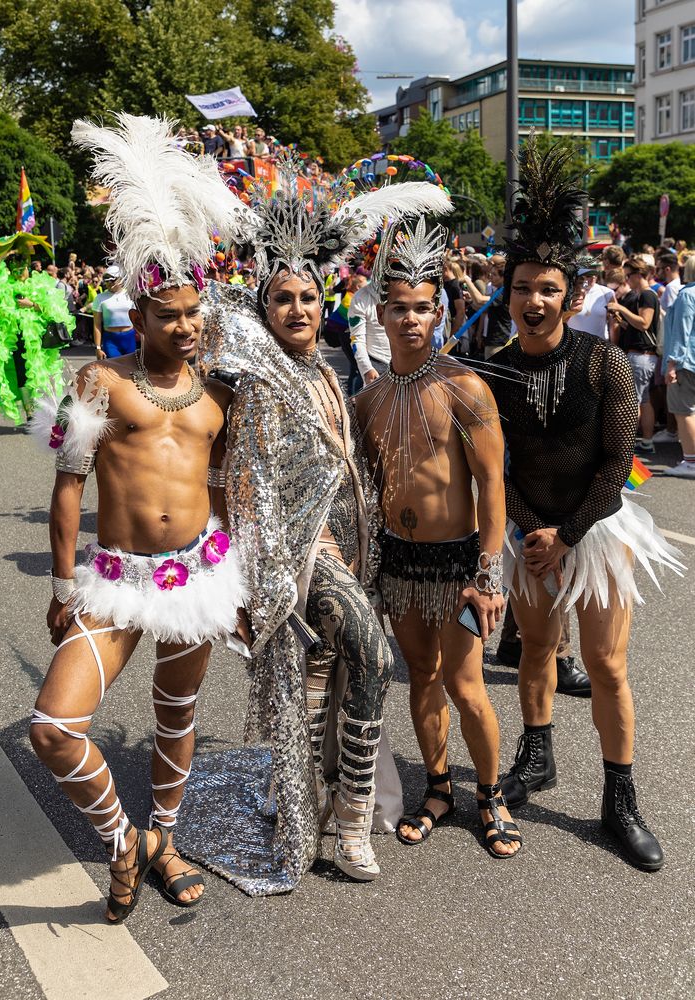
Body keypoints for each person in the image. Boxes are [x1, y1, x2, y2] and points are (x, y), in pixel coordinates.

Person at [199, 156, 453, 891]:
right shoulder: (258, 382)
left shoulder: (330, 368)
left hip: (352, 550)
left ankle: (312, 813)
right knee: (373, 660)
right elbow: (249, 494)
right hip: (305, 558)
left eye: (309, 297)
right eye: (283, 299)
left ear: (324, 301)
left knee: (321, 679)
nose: (299, 310)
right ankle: (345, 821)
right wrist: (271, 582)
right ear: (264, 306)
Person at [29, 114, 248, 923]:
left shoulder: (222, 392)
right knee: (54, 727)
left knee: (175, 716)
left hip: (197, 575)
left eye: (193, 313)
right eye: (168, 314)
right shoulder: (98, 383)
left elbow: (228, 488)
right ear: (139, 317)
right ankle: (122, 839)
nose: (184, 326)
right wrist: (60, 582)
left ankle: (165, 837)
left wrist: (240, 575)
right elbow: (66, 488)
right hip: (115, 580)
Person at [488, 136, 683, 872]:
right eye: (522, 288)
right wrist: (531, 528)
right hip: (530, 532)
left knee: (604, 664)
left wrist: (567, 533)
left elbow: (618, 462)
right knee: (536, 650)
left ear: (570, 296)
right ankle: (536, 761)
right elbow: (493, 463)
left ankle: (619, 799)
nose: (534, 301)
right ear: (506, 294)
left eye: (548, 290)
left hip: (598, 530)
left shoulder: (605, 362)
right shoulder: (494, 372)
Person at [354, 217, 522, 859]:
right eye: (399, 309)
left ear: (439, 311)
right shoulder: (368, 402)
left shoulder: (465, 388)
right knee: (421, 676)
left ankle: (491, 795)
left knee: (466, 682)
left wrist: (487, 576)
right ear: (383, 314)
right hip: (399, 565)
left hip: (458, 566)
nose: (411, 320)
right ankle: (440, 788)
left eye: (424, 308)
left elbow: (492, 485)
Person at [0, 233, 74, 425]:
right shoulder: (4, 286)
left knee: (41, 377)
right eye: (14, 267)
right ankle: (31, 414)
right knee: (22, 378)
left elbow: (56, 311)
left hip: (38, 341)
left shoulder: (41, 283)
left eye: (22, 267)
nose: (18, 271)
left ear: (28, 267)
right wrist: (1, 255)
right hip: (14, 340)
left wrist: (32, 304)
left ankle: (46, 411)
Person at [607, 257, 660, 454]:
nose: (627, 280)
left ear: (638, 274)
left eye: (629, 275)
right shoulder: (645, 294)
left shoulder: (646, 295)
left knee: (634, 401)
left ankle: (629, 444)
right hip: (642, 354)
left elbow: (644, 323)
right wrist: (620, 320)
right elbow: (636, 327)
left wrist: (620, 308)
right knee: (643, 400)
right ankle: (646, 441)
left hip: (641, 355)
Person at [662, 254, 695, 478]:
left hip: (686, 362)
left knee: (684, 412)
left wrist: (672, 363)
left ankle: (691, 462)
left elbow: (682, 331)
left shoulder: (687, 295)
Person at [92, 266, 137, 359]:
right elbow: (97, 325)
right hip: (111, 340)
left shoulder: (131, 295)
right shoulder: (100, 298)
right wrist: (98, 347)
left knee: (130, 369)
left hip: (129, 337)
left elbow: (138, 318)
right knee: (115, 369)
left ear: (121, 279)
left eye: (112, 281)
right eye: (107, 281)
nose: (109, 284)